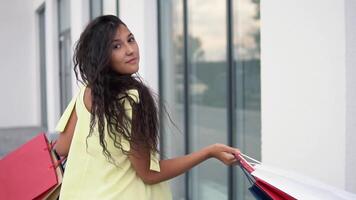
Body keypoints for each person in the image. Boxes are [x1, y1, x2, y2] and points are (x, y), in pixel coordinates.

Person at [54, 15, 240, 200]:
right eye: (116, 46)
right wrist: (208, 152)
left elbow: (61, 148)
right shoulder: (131, 99)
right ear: (101, 55)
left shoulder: (86, 92)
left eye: (131, 40)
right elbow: (149, 174)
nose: (130, 50)